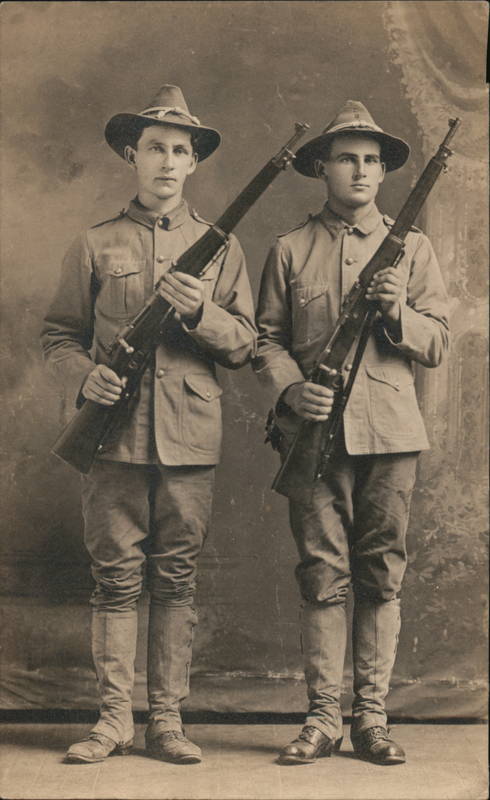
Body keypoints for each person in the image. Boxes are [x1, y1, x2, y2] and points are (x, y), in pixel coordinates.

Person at [41, 84, 256, 765]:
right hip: (113, 434)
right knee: (114, 581)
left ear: (194, 164)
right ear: (132, 155)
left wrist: (201, 313)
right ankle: (112, 721)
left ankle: (166, 720)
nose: (167, 161)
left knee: (177, 579)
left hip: (190, 437)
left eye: (180, 151)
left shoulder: (221, 249)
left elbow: (247, 345)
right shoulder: (95, 243)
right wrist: (84, 377)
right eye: (155, 148)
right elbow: (58, 336)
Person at [253, 100, 449, 766]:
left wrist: (399, 313)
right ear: (322, 168)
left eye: (372, 160)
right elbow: (267, 340)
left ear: (383, 171)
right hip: (315, 436)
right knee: (322, 575)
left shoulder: (414, 250)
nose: (361, 170)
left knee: (382, 575)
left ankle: (372, 717)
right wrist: (288, 388)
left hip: (391, 434)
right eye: (347, 158)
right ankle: (321, 718)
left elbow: (439, 341)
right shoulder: (290, 250)